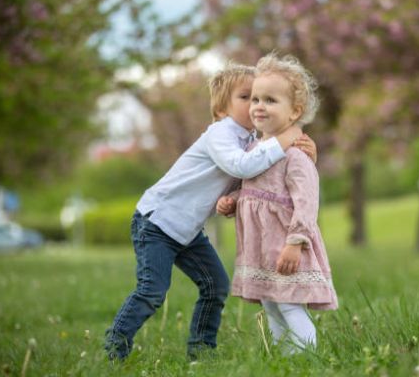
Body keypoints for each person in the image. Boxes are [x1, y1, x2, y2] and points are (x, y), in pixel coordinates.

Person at [104, 62, 316, 361]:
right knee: (153, 289)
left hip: (187, 231)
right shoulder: (220, 133)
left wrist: (300, 148)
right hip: (157, 222)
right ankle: (115, 345)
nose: (256, 104)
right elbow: (242, 166)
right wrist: (286, 138)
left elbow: (261, 178)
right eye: (247, 97)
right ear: (221, 110)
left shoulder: (254, 141)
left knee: (216, 285)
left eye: (261, 97)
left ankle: (201, 351)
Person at [216, 53, 338, 354]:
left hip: (285, 246)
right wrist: (233, 200)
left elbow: (307, 203)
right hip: (260, 247)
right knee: (271, 305)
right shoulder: (255, 149)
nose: (259, 106)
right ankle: (285, 358)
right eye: (255, 99)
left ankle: (307, 359)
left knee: (290, 304)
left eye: (270, 100)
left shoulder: (296, 155)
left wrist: (296, 242)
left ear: (295, 112)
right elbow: (253, 188)